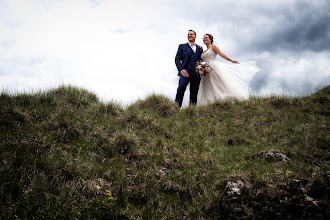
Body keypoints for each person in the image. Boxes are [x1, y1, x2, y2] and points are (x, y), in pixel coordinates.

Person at [197, 34, 260, 106]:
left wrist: (231, 60)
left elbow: (222, 54)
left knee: (217, 83)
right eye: (203, 38)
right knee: (207, 85)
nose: (204, 39)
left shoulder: (213, 47)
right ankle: (209, 101)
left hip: (213, 67)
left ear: (211, 39)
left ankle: (223, 98)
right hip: (205, 70)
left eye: (206, 38)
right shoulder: (203, 51)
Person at [175, 30, 203, 108]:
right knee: (181, 89)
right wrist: (181, 70)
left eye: (191, 34)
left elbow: (201, 60)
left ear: (195, 36)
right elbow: (177, 59)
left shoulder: (200, 48)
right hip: (185, 72)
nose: (189, 35)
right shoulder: (182, 46)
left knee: (194, 93)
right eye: (188, 34)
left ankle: (192, 111)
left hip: (196, 74)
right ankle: (176, 109)